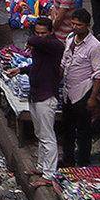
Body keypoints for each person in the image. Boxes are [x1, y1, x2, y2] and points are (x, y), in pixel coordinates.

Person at [60, 9, 100, 168]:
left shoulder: (95, 47)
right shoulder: (70, 38)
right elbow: (64, 61)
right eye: (73, 23)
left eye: (79, 25)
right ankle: (68, 160)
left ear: (87, 25)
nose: (75, 27)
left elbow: (98, 74)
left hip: (83, 93)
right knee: (68, 129)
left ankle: (83, 162)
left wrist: (93, 98)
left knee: (84, 131)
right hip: (67, 92)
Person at [23, 14, 64, 175]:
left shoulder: (55, 46)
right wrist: (20, 70)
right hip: (35, 94)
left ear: (51, 32)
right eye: (38, 33)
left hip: (46, 97)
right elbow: (35, 66)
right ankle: (41, 167)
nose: (40, 36)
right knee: (39, 134)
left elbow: (33, 41)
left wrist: (33, 38)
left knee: (47, 137)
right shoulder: (40, 47)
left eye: (43, 33)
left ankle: (49, 173)